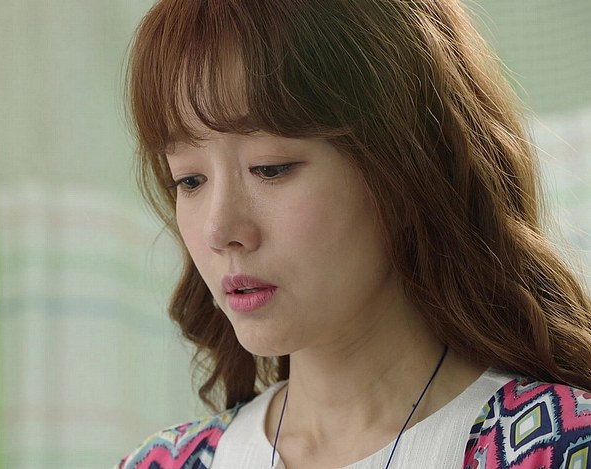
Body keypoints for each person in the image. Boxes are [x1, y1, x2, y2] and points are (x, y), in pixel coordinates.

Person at [116, 0, 591, 468]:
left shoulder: (553, 448)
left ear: (407, 171)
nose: (219, 230)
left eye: (270, 168)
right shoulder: (164, 463)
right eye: (189, 181)